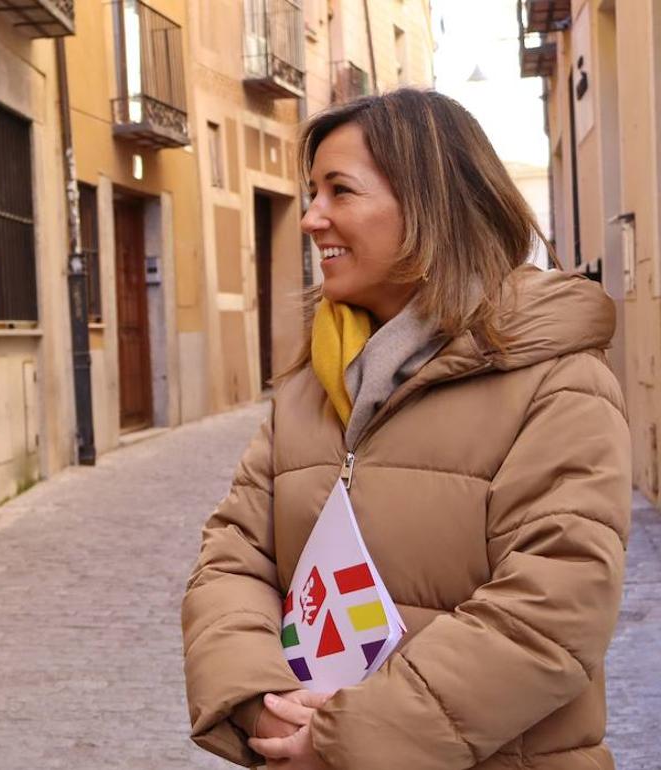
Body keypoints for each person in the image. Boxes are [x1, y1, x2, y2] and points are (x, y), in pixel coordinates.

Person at [181, 88, 630, 769]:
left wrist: (346, 740)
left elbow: (555, 606)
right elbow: (233, 557)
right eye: (312, 192)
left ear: (430, 207)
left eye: (340, 191)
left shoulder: (557, 382)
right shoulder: (310, 386)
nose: (311, 218)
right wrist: (262, 701)